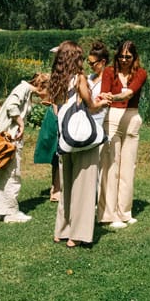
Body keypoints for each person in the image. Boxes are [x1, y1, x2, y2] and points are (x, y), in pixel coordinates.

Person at [50, 41, 109, 248]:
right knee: (83, 185)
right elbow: (91, 106)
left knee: (66, 185)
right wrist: (101, 101)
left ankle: (62, 230)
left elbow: (58, 108)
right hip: (83, 139)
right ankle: (78, 234)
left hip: (65, 138)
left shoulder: (56, 80)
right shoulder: (80, 79)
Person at [98, 40, 147, 229]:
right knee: (110, 167)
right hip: (112, 117)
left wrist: (113, 96)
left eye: (128, 56)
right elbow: (104, 93)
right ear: (116, 56)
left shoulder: (140, 73)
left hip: (131, 117)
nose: (124, 60)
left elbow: (128, 94)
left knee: (128, 167)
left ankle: (124, 212)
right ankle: (108, 214)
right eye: (121, 56)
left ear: (134, 57)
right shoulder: (109, 72)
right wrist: (107, 96)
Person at [0, 73, 50, 223]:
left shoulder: (26, 91)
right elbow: (12, 106)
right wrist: (21, 123)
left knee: (6, 174)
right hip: (10, 138)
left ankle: (4, 210)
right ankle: (11, 213)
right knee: (13, 173)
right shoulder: (23, 89)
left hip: (11, 138)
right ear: (41, 86)